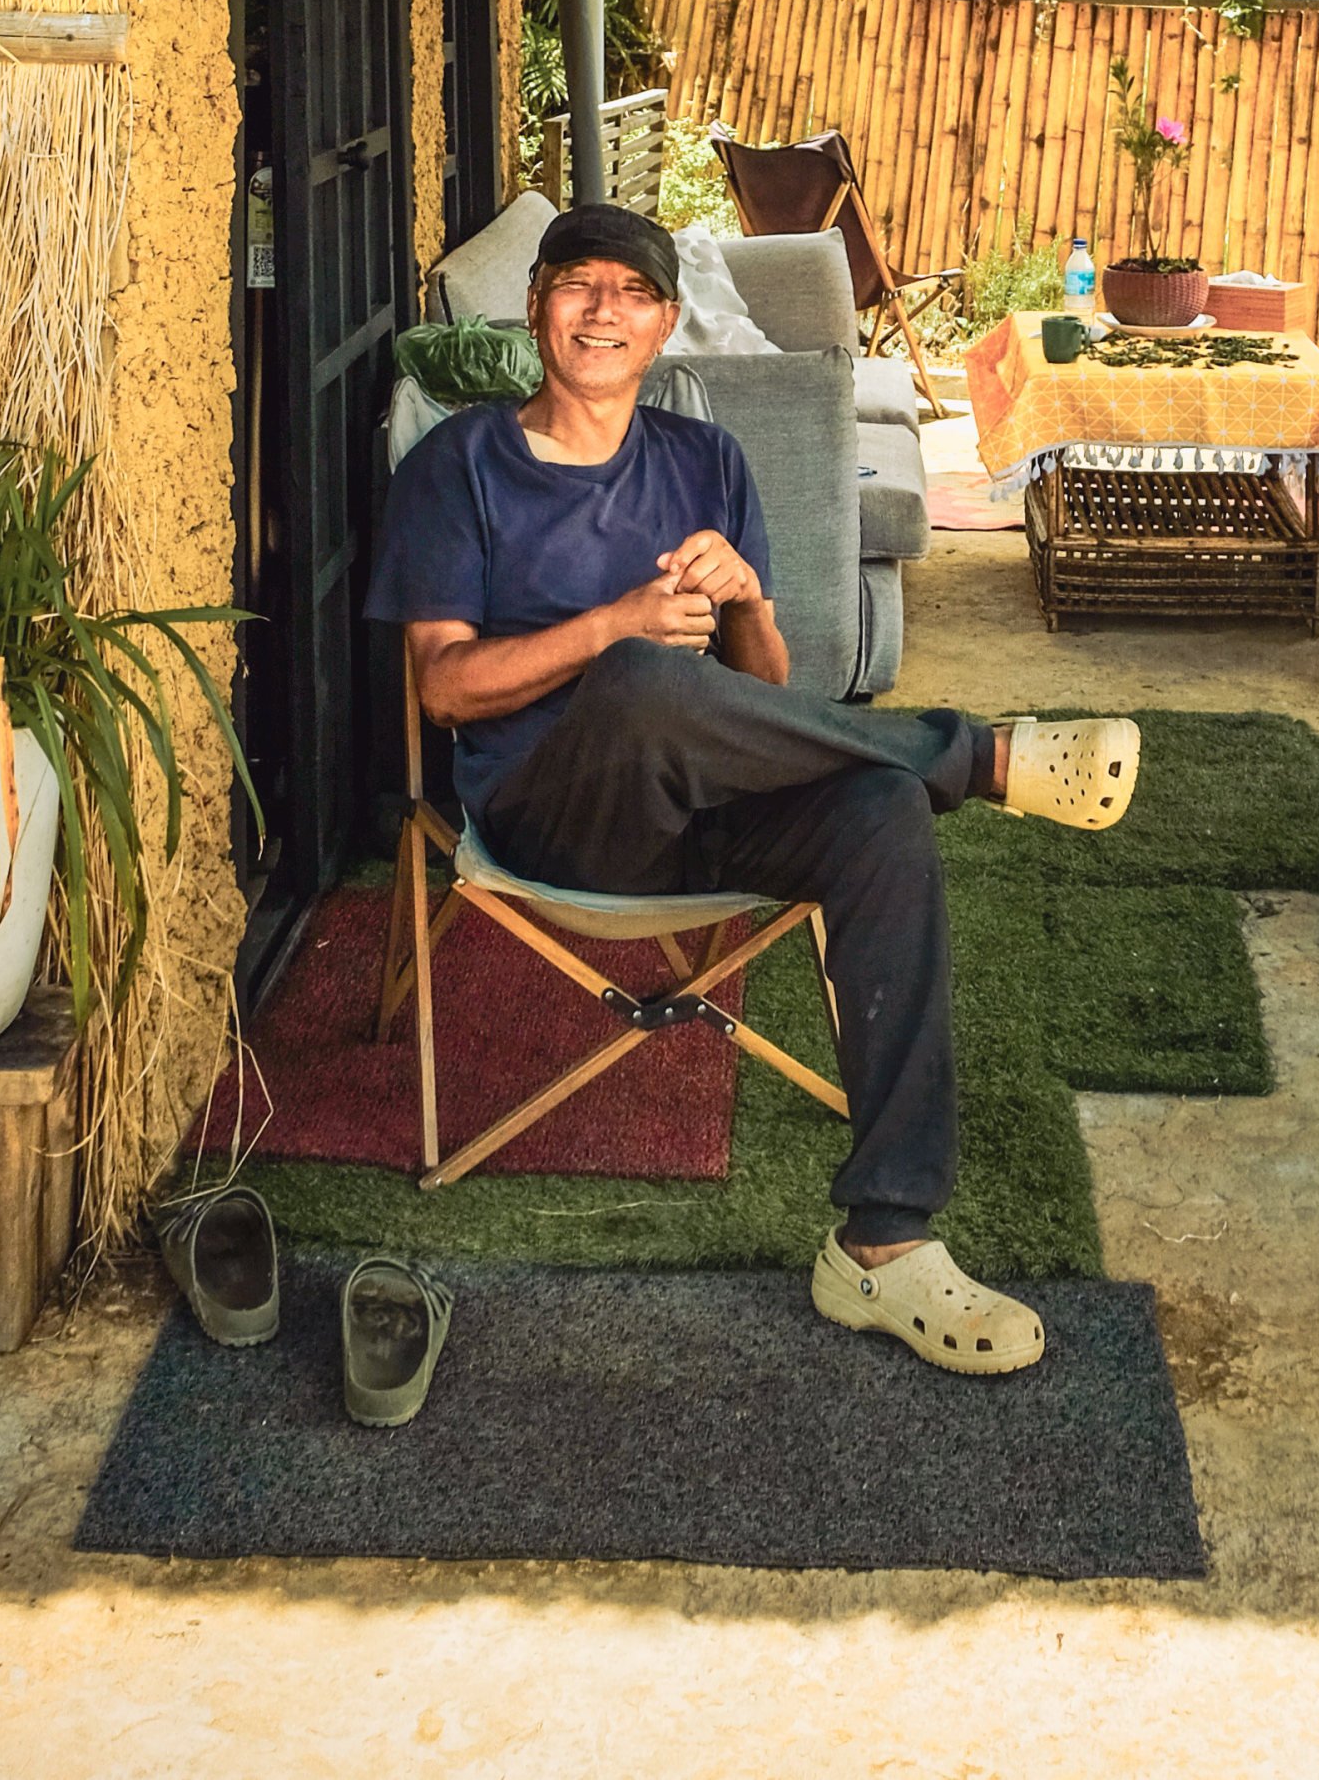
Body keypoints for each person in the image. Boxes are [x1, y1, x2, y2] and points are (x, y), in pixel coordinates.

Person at [367, 200, 1138, 1376]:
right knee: (634, 674)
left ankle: (883, 1245)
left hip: (705, 811)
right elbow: (443, 689)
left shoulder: (706, 459)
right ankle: (972, 756)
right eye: (577, 286)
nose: (602, 313)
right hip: (550, 818)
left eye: (631, 294)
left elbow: (766, 686)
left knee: (877, 816)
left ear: (667, 323)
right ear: (535, 308)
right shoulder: (458, 467)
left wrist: (747, 605)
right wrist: (613, 626)